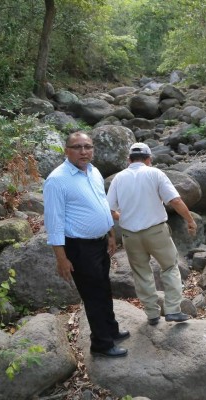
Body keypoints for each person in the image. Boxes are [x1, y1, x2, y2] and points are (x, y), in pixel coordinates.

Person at [43, 132, 129, 358]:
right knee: (93, 294)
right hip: (78, 248)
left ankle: (111, 330)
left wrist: (110, 233)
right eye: (77, 147)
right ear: (66, 150)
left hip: (99, 243)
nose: (84, 151)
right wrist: (61, 258)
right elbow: (54, 221)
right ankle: (101, 344)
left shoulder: (94, 171)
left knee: (104, 287)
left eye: (88, 147)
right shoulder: (57, 180)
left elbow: (103, 204)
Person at [107, 142, 198, 326]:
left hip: (130, 235)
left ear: (128, 160)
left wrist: (122, 218)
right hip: (156, 231)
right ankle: (173, 309)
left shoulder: (118, 178)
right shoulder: (155, 173)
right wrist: (190, 220)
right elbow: (175, 200)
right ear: (149, 159)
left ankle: (152, 314)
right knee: (170, 267)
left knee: (141, 273)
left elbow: (108, 210)